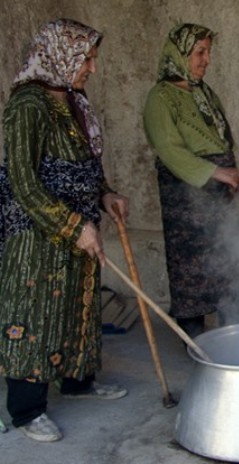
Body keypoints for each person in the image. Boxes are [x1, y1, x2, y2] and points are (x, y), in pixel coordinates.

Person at [0, 18, 129, 443]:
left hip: (79, 228)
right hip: (39, 233)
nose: (91, 68)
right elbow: (22, 180)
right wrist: (73, 225)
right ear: (59, 55)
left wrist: (106, 195)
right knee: (34, 314)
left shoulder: (75, 100)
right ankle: (26, 409)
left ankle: (77, 382)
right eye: (86, 59)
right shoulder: (28, 106)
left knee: (79, 307)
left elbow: (85, 161)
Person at [143, 23, 239, 338]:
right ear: (180, 53)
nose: (207, 60)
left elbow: (220, 138)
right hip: (186, 192)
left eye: (208, 52)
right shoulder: (161, 97)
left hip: (219, 184)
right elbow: (169, 149)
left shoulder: (203, 93)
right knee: (191, 260)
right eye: (200, 52)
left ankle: (232, 327)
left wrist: (231, 172)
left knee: (226, 252)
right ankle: (193, 333)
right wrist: (215, 171)